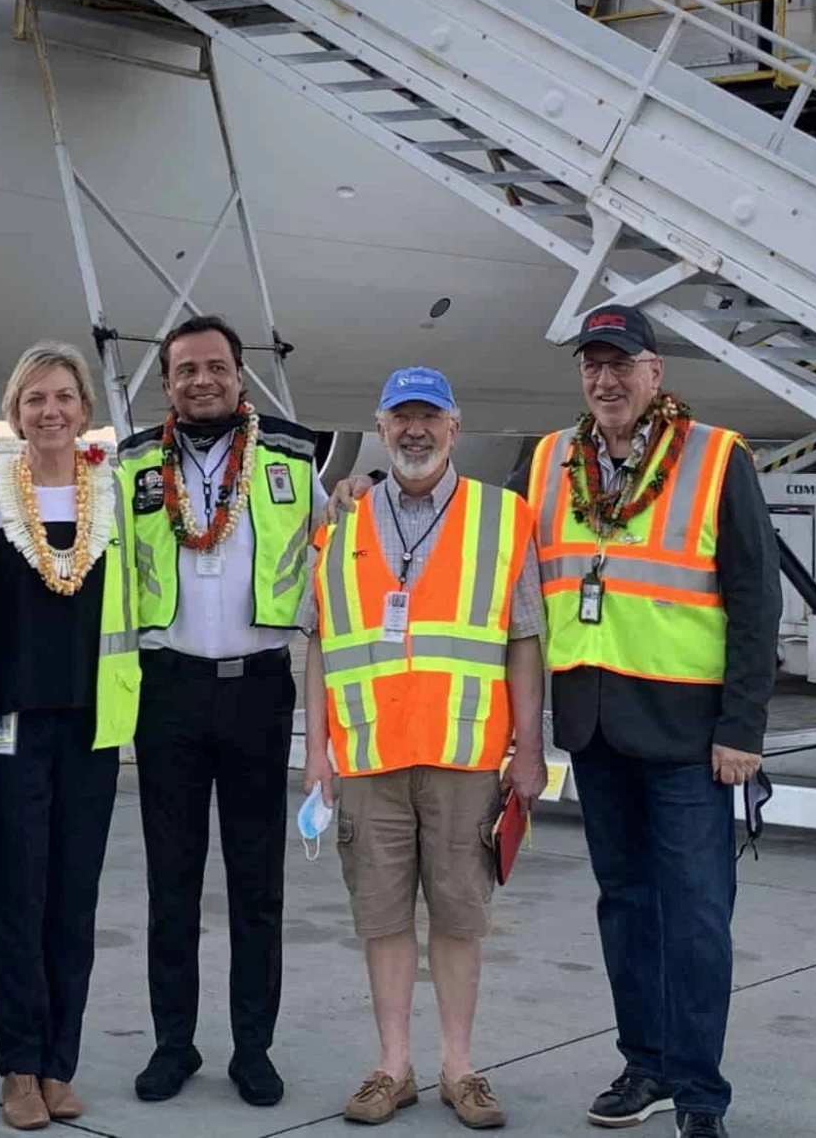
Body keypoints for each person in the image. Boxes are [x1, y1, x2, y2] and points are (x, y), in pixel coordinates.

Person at [526, 304, 779, 1138]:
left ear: (655, 372)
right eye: (593, 365)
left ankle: (701, 1094)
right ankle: (647, 1063)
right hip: (594, 726)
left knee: (698, 915)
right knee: (625, 906)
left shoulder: (714, 458)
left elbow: (755, 598)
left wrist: (742, 726)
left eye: (621, 363)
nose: (606, 379)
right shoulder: (552, 458)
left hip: (688, 733)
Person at [302, 368, 547, 1130]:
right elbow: (316, 643)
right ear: (380, 428)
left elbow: (525, 641)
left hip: (465, 757)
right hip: (370, 758)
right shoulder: (340, 523)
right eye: (402, 417)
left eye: (429, 418)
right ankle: (392, 1066)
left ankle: (459, 1068)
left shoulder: (504, 519)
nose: (416, 431)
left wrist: (530, 749)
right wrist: (315, 751)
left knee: (459, 916)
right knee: (380, 917)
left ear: (454, 426)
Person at [113, 314, 324, 1107]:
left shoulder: (296, 456)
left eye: (215, 367)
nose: (201, 380)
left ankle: (252, 1047)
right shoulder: (130, 462)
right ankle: (174, 1043)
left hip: (257, 686)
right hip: (166, 689)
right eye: (184, 370)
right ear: (166, 383)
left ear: (241, 376)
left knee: (255, 882)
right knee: (172, 880)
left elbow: (329, 555)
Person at [0, 343, 138, 1131]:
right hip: (9, 728)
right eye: (35, 398)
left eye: (65, 396)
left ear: (85, 409)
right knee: (14, 899)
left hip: (93, 728)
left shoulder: (123, 498)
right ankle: (18, 1066)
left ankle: (59, 1062)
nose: (51, 411)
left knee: (73, 900)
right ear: (15, 412)